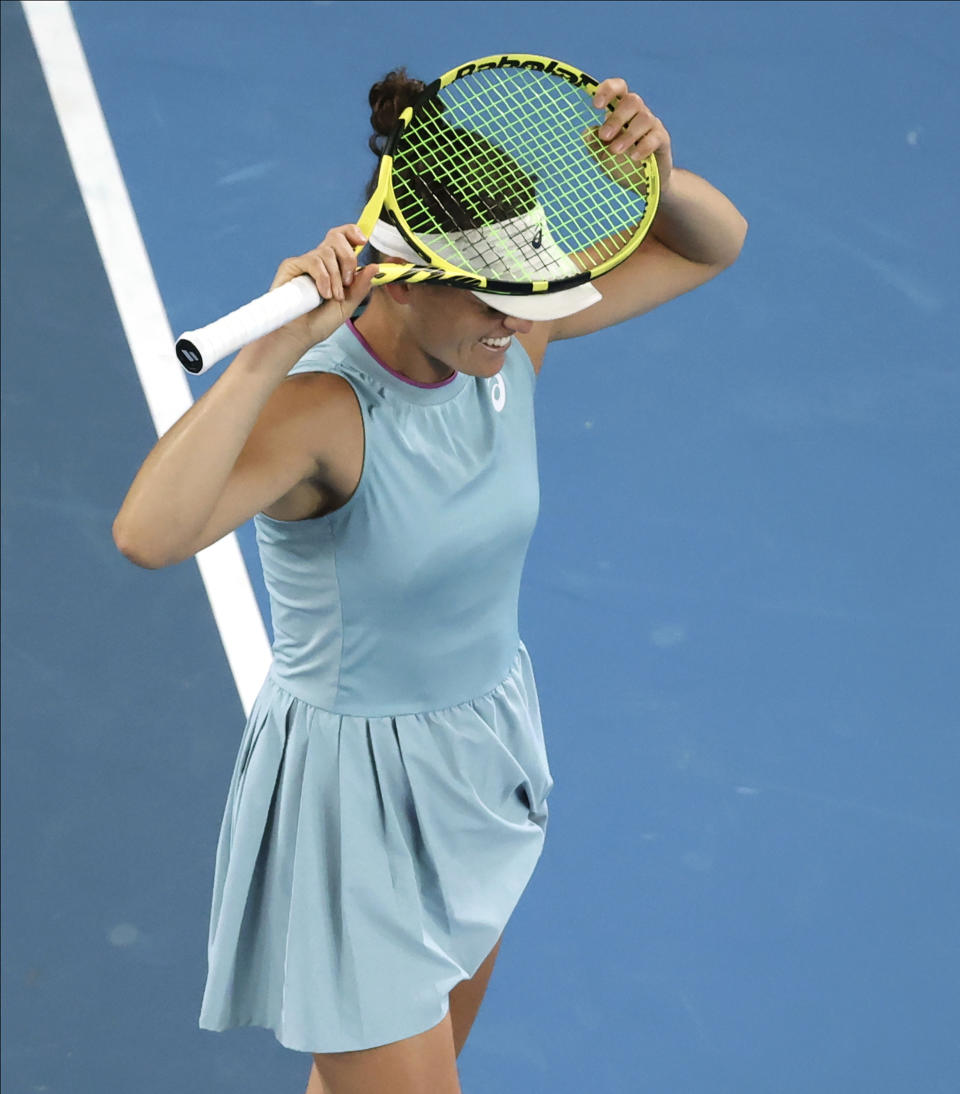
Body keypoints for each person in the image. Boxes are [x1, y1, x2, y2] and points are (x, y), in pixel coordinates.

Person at [113, 66, 747, 1094]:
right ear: (408, 272)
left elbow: (711, 243)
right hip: (353, 814)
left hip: (476, 764)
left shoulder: (510, 332)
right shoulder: (323, 416)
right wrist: (264, 361)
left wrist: (655, 174)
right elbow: (149, 533)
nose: (516, 321)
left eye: (526, 295)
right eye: (493, 301)